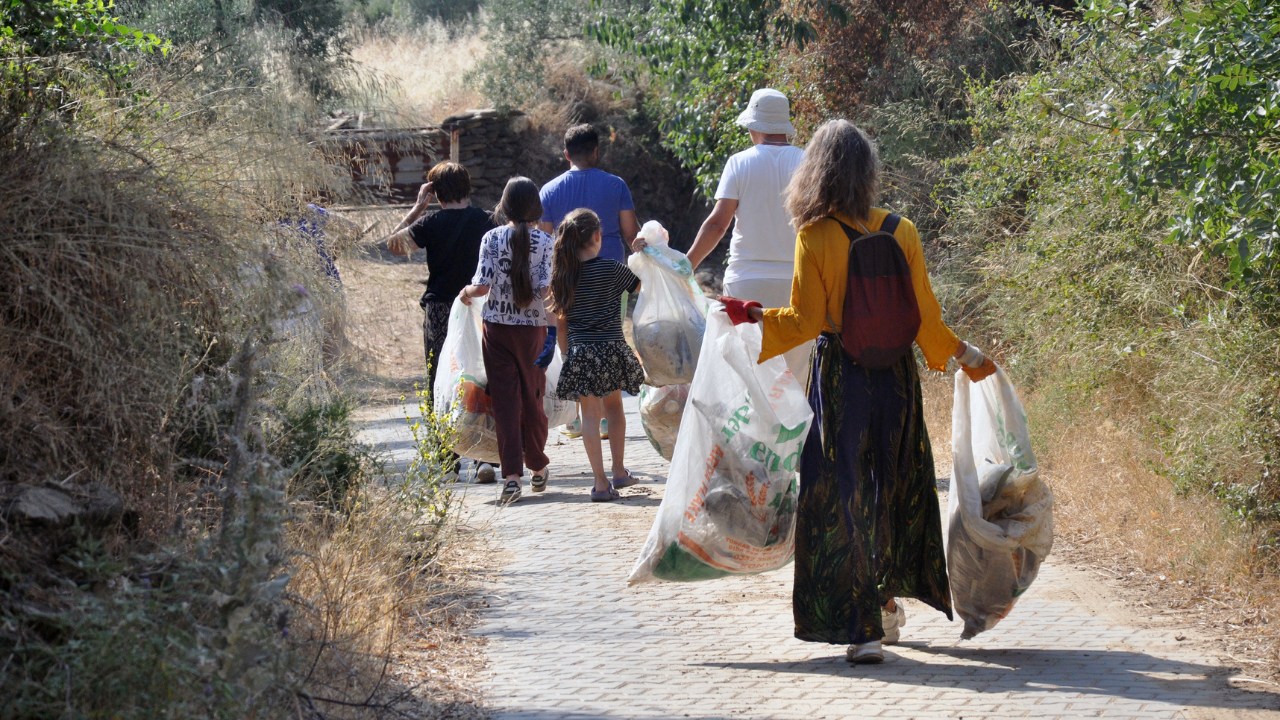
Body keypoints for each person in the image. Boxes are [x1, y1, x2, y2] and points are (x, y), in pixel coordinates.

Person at [722, 120, 997, 664]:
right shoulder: (904, 231)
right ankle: (888, 599)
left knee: (840, 495)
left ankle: (862, 629)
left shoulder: (815, 235)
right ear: (868, 172)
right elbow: (926, 323)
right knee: (890, 486)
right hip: (895, 379)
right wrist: (966, 356)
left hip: (841, 378)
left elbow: (802, 323)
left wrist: (748, 317)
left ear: (814, 174)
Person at [681, 88, 811, 378]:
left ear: (755, 126)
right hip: (798, 285)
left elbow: (717, 225)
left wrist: (685, 267)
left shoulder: (739, 163)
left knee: (748, 379)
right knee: (793, 378)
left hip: (746, 287)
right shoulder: (808, 164)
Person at [386, 162, 498, 483]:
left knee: (440, 380)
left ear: (435, 193)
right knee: (481, 376)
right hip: (478, 306)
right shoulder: (487, 221)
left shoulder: (429, 222)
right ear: (468, 187)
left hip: (440, 310)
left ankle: (446, 461)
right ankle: (483, 458)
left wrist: (417, 206)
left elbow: (394, 245)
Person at [537, 124, 640, 440]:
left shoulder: (550, 190)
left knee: (570, 332)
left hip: (566, 274)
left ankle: (581, 413)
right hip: (610, 271)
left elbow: (542, 239)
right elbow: (630, 233)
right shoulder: (616, 185)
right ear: (596, 151)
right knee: (609, 334)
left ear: (566, 154)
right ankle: (609, 416)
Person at [458, 177, 554, 503]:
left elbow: (482, 287)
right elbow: (545, 290)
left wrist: (465, 293)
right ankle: (538, 466)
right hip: (533, 333)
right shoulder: (546, 241)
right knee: (533, 398)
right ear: (535, 207)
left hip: (496, 330)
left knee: (505, 403)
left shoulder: (491, 238)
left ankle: (511, 477)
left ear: (505, 205)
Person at [549, 209, 645, 502]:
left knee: (589, 417)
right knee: (614, 409)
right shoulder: (612, 269)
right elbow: (640, 285)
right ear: (597, 236)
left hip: (581, 351)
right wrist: (645, 254)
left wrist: (568, 356)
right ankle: (619, 471)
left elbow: (561, 324)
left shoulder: (564, 275)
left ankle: (600, 483)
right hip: (611, 347)